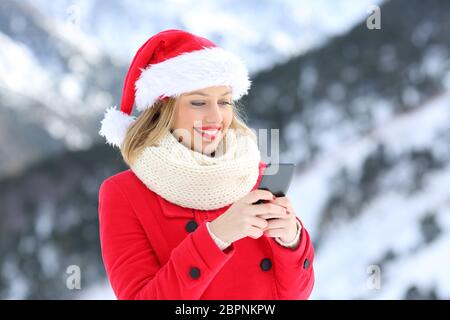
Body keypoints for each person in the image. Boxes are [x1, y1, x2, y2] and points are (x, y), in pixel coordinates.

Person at [97, 29, 314, 300]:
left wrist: (291, 240)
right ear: (162, 109)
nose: (216, 117)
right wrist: (216, 237)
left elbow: (295, 295)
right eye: (199, 102)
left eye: (224, 101)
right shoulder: (122, 193)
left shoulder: (253, 174)